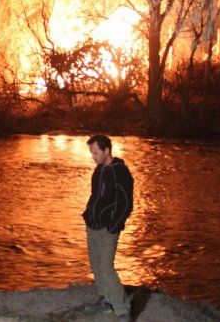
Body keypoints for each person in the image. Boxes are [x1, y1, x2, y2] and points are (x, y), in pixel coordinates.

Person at [82, 135, 134, 322]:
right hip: (92, 225)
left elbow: (126, 203)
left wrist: (114, 225)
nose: (93, 157)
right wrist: (88, 215)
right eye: (91, 153)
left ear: (106, 151)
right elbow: (95, 197)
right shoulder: (98, 171)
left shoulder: (120, 172)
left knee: (106, 267)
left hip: (107, 229)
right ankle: (105, 300)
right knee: (96, 264)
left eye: (95, 153)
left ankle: (122, 309)